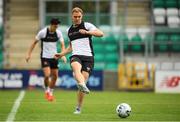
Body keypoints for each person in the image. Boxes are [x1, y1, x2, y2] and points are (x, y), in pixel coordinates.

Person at [54, 7, 104, 114]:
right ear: (72, 17)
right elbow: (71, 47)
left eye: (79, 17)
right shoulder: (69, 30)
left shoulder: (87, 25)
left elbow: (101, 34)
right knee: (76, 67)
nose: (77, 18)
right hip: (76, 55)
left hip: (88, 57)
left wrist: (87, 32)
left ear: (82, 16)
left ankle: (79, 106)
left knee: (83, 81)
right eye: (75, 17)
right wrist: (61, 54)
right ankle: (81, 83)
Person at [26, 18, 67, 102]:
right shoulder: (43, 32)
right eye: (55, 26)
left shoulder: (58, 33)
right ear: (51, 25)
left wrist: (62, 54)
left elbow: (62, 44)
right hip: (45, 57)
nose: (56, 27)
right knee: (47, 75)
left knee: (55, 76)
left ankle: (51, 92)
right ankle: (47, 91)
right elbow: (34, 43)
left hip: (54, 57)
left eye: (57, 26)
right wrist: (29, 54)